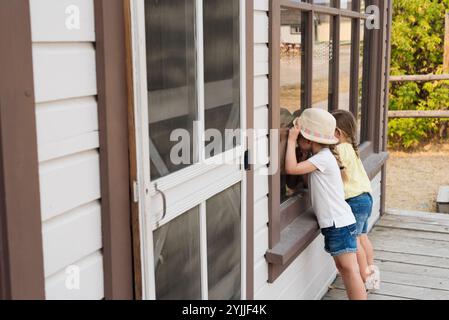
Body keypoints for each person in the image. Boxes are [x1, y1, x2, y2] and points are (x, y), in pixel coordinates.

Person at [285, 108, 367, 300]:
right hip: (338, 224)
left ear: (308, 140)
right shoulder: (321, 157)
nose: (297, 141)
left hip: (339, 225)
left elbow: (291, 168)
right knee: (345, 269)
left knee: (349, 271)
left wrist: (289, 141)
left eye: (299, 138)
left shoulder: (322, 158)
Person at [332, 109, 380, 290]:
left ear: (338, 133)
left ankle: (363, 277)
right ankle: (371, 272)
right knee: (363, 238)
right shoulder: (352, 148)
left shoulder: (339, 149)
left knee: (356, 242)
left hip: (353, 200)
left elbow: (341, 177)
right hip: (365, 198)